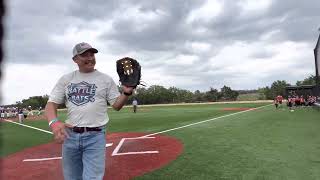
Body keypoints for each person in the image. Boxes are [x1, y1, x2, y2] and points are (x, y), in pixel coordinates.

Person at [45, 42, 134, 180]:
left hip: (95, 136)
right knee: (72, 177)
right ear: (75, 59)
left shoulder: (105, 79)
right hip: (70, 136)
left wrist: (126, 93)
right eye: (84, 55)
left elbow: (116, 105)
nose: (90, 58)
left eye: (91, 54)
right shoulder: (66, 79)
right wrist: (54, 123)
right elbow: (51, 104)